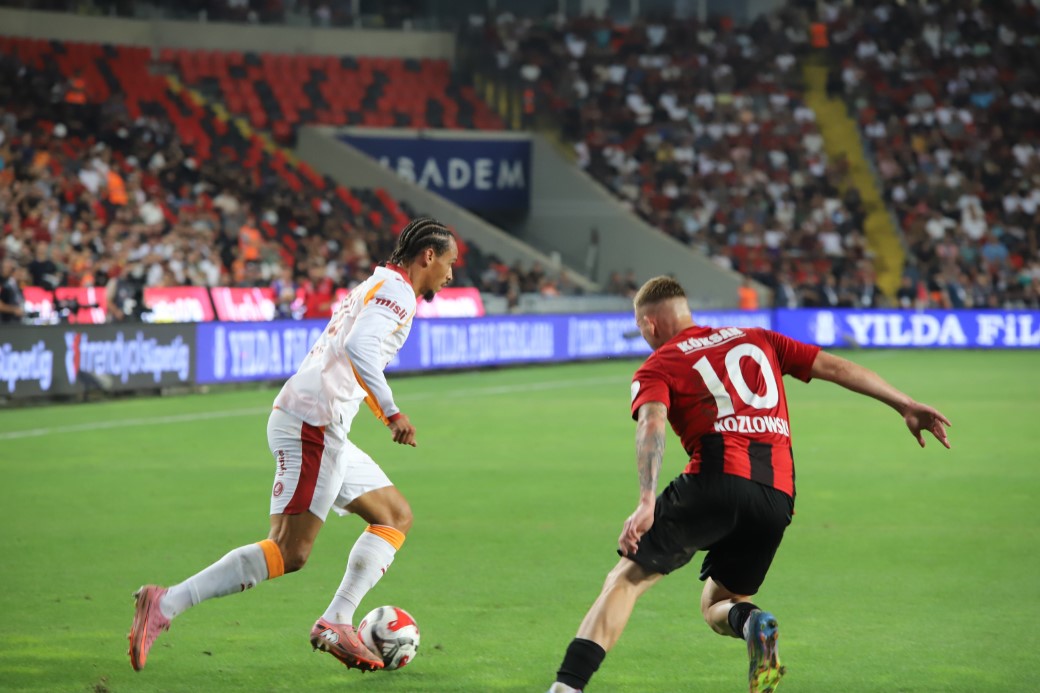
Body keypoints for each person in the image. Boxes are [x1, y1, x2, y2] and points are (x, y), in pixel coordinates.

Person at [547, 276, 951, 693]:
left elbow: (652, 423)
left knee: (626, 579)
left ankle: (566, 687)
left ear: (649, 325)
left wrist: (647, 499)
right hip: (776, 498)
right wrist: (904, 404)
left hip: (715, 479)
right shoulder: (759, 338)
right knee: (719, 604)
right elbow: (837, 367)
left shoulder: (659, 364)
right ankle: (753, 623)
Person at [128, 217, 459, 672]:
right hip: (312, 425)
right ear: (428, 256)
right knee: (289, 550)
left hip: (320, 423)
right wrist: (392, 411)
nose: (450, 274)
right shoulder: (398, 293)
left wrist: (380, 411)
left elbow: (349, 356)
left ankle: (336, 620)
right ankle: (164, 604)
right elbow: (360, 348)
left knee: (394, 516)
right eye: (449, 262)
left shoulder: (379, 283)